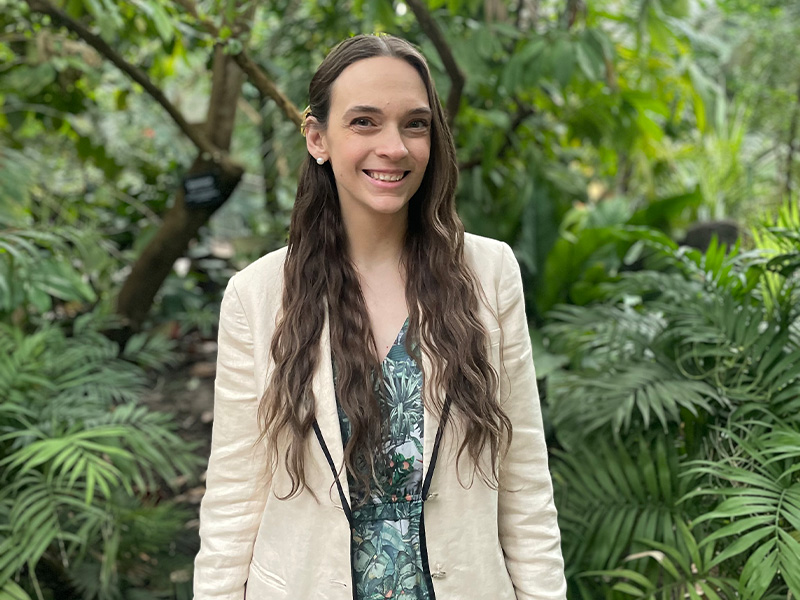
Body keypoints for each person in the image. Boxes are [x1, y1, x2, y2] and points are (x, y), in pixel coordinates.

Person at [193, 33, 566, 600]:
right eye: (364, 122)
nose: (393, 146)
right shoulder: (259, 294)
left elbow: (524, 479)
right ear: (318, 137)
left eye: (415, 124)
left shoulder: (489, 273)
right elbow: (234, 495)